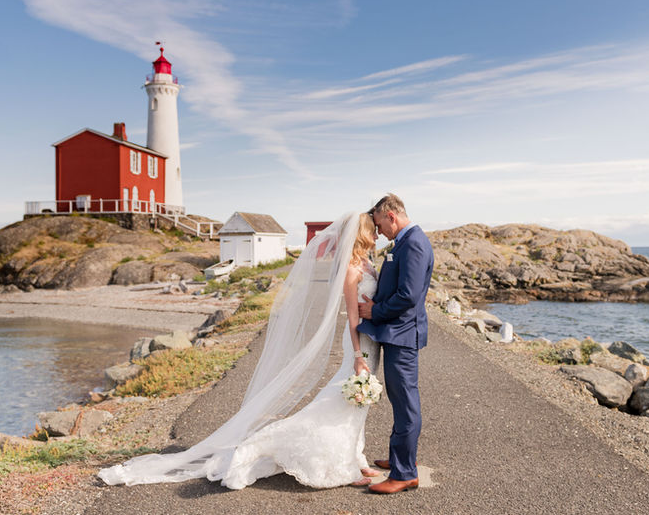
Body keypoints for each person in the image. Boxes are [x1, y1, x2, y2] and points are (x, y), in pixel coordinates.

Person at [98, 212, 383, 489]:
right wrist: (358, 356)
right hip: (359, 344)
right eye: (372, 231)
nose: (376, 235)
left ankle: (356, 456)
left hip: (371, 341)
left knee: (358, 404)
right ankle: (313, 454)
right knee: (343, 400)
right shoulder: (350, 268)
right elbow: (351, 316)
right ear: (360, 235)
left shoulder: (367, 264)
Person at [357, 193, 434, 494]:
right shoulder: (404, 241)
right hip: (397, 332)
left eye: (379, 224)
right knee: (398, 398)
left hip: (403, 335)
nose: (379, 232)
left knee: (405, 402)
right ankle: (400, 457)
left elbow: (408, 296)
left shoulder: (413, 242)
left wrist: (374, 311)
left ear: (391, 215)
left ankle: (405, 473)